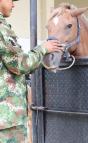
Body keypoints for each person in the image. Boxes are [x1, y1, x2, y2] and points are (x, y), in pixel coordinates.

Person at [0, 0, 63, 142]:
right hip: (6, 119)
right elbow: (19, 64)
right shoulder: (1, 28)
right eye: (11, 0)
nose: (14, 5)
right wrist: (44, 48)